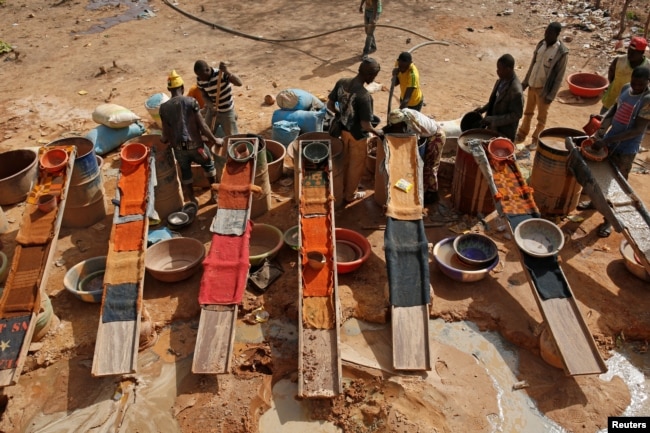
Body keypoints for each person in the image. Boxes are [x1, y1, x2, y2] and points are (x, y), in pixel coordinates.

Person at [578, 65, 650, 237]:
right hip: (610, 142)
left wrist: (607, 140)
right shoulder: (626, 89)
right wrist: (602, 122)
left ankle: (609, 221)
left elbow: (637, 130)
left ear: (647, 83)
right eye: (634, 82)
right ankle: (595, 203)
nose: (636, 86)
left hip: (626, 149)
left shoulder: (647, 100)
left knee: (615, 187)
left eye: (640, 84)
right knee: (598, 178)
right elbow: (615, 109)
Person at [159, 70, 222, 205]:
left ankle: (192, 199)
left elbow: (164, 135)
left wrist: (164, 140)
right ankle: (214, 196)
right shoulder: (191, 102)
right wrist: (214, 139)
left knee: (185, 172)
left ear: (169, 89)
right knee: (209, 166)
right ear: (182, 88)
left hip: (179, 150)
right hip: (197, 147)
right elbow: (202, 126)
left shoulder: (163, 108)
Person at [327, 58, 384, 203]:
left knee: (345, 160)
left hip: (343, 130)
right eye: (374, 76)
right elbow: (366, 125)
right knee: (356, 166)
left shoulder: (342, 82)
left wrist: (341, 114)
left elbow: (330, 105)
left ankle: (341, 188)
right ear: (370, 76)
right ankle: (350, 194)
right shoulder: (364, 96)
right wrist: (378, 133)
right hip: (358, 135)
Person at [515, 22, 569, 149]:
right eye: (546, 32)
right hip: (533, 85)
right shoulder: (541, 45)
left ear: (557, 34)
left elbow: (559, 76)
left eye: (549, 33)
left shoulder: (561, 52)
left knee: (541, 118)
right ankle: (522, 134)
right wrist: (525, 82)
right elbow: (533, 65)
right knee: (528, 112)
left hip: (544, 90)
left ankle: (535, 140)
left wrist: (551, 95)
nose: (546, 35)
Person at [388, 108, 445, 205]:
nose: (394, 127)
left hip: (436, 136)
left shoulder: (412, 126)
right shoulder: (404, 113)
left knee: (430, 166)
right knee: (424, 167)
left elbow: (417, 139)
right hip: (428, 135)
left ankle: (432, 194)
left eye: (396, 126)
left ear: (402, 122)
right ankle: (423, 190)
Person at [474, 54, 524, 141]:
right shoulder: (502, 79)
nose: (497, 71)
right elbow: (495, 99)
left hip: (504, 132)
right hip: (493, 127)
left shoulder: (516, 91)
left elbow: (516, 115)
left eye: (499, 69)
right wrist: (483, 109)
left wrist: (494, 120)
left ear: (508, 69)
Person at [194, 59, 243, 137]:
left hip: (226, 111)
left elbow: (239, 83)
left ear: (207, 69)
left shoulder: (221, 74)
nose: (201, 79)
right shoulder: (200, 79)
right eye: (199, 76)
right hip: (213, 111)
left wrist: (227, 71)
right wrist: (211, 106)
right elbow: (204, 95)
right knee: (207, 134)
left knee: (232, 137)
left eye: (202, 76)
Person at [600, 36, 649, 114]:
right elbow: (611, 75)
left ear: (642, 52)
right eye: (629, 51)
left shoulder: (648, 66)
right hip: (612, 99)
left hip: (631, 105)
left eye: (634, 53)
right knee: (601, 122)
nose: (630, 54)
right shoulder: (619, 60)